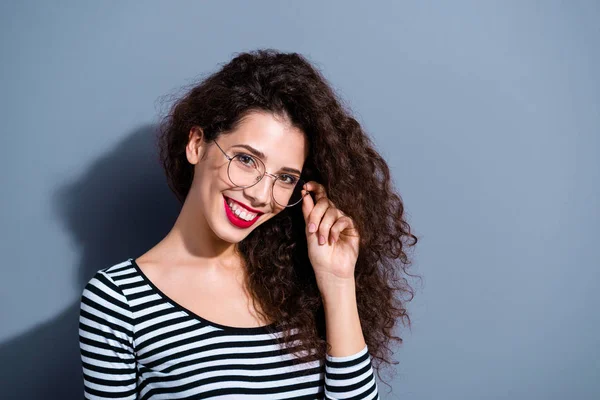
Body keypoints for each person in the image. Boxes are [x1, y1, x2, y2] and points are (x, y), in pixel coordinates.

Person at [79, 49, 418, 399]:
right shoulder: (118, 303)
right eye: (246, 159)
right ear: (196, 144)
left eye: (285, 178)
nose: (260, 194)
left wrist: (337, 282)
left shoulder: (297, 284)